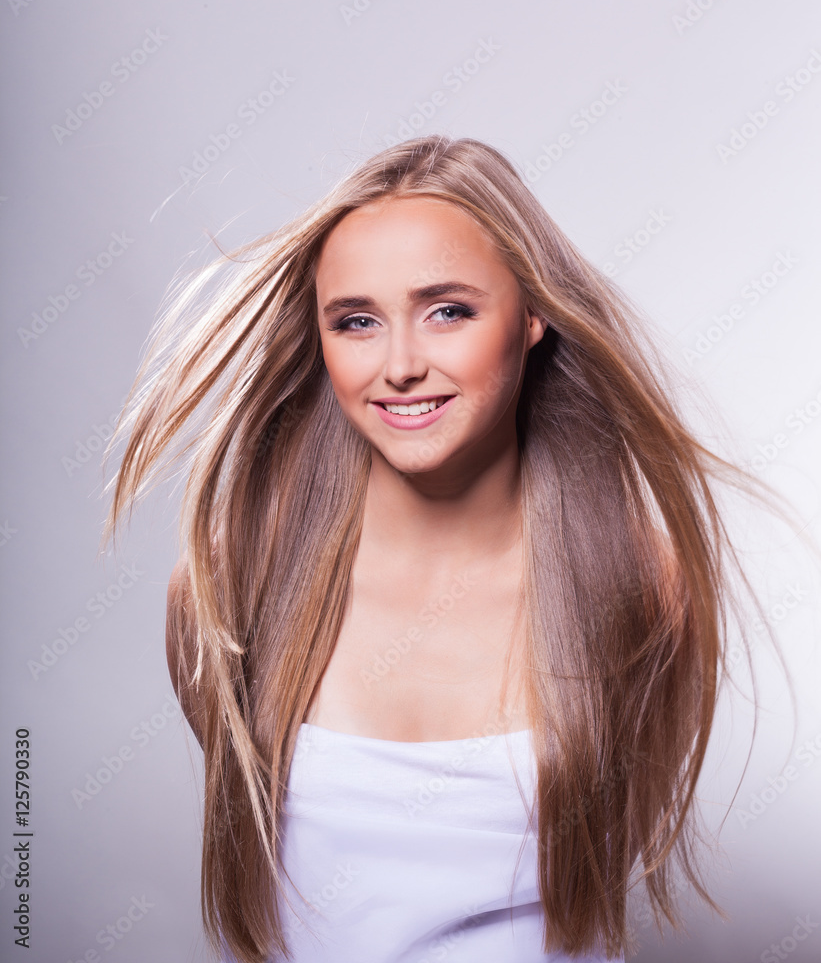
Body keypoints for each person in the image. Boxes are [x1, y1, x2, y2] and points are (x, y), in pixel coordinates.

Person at [100, 135, 800, 962]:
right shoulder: (228, 591)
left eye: (448, 311)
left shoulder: (640, 584)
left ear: (533, 314)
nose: (399, 365)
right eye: (356, 322)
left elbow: (615, 837)